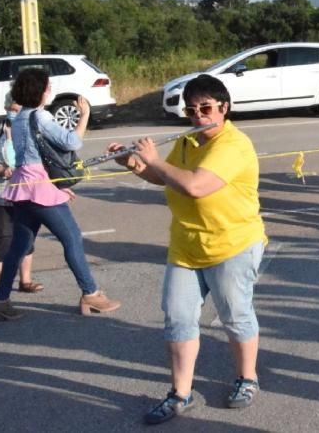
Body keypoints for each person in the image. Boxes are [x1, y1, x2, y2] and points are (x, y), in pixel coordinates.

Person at [107, 74, 268, 425]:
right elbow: (166, 177)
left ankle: (247, 378)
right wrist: (135, 164)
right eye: (191, 110)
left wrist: (152, 158)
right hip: (186, 245)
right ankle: (180, 394)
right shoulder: (187, 141)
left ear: (224, 108)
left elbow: (196, 186)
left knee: (235, 316)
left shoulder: (233, 144)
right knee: (178, 319)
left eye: (206, 108)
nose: (198, 116)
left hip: (232, 244)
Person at [0, 68, 120, 324]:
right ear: (42, 90)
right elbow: (72, 143)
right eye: (47, 86)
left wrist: (55, 185)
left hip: (23, 186)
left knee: (19, 246)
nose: (50, 90)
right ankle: (90, 293)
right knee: (72, 238)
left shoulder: (19, 118)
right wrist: (84, 116)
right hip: (40, 189)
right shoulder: (40, 116)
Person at [0, 93, 42, 305]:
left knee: (27, 235)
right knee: (4, 237)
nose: (15, 112)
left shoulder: (33, 129)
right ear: (6, 107)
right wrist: (0, 170)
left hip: (28, 193)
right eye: (12, 108)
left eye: (19, 108)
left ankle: (25, 280)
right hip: (1, 194)